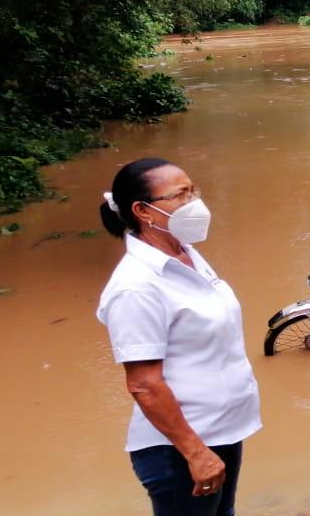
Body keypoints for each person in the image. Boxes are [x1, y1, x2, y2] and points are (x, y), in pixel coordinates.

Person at [96, 158, 261, 516]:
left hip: (219, 433)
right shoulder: (135, 287)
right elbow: (143, 384)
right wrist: (196, 453)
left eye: (193, 190)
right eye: (181, 195)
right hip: (179, 451)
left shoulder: (184, 253)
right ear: (143, 210)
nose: (195, 203)